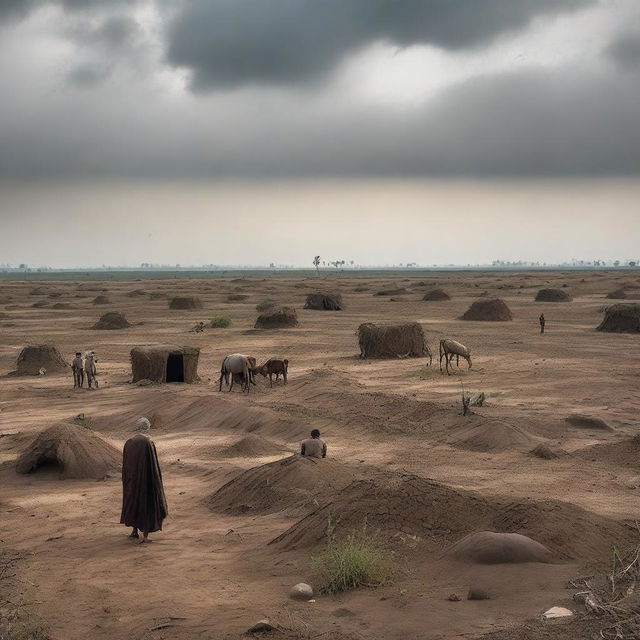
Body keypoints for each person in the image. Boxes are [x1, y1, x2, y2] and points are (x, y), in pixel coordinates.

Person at [120, 417, 168, 544]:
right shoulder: (147, 442)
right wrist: (156, 483)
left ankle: (134, 531)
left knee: (133, 502)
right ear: (147, 427)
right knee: (146, 504)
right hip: (145, 480)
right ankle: (145, 536)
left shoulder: (129, 442)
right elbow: (152, 465)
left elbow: (125, 465)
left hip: (131, 480)